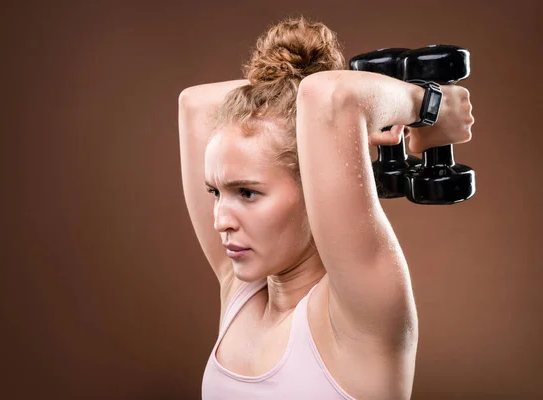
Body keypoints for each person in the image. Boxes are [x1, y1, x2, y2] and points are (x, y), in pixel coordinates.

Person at [178, 16, 474, 400]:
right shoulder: (241, 290)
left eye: (247, 193)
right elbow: (194, 103)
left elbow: (331, 96)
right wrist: (408, 110)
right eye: (216, 192)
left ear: (315, 186)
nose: (220, 221)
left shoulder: (359, 311)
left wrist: (428, 107)